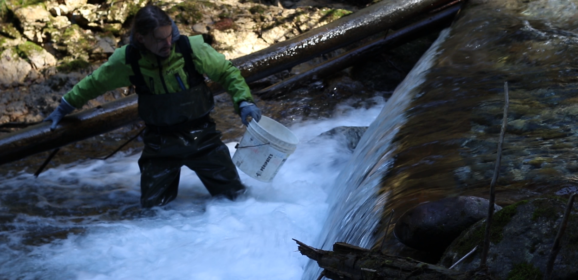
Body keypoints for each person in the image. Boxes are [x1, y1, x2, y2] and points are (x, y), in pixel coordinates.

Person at [44, 5, 262, 208]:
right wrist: (63, 108)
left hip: (203, 138)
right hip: (159, 145)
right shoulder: (128, 60)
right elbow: (93, 84)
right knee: (155, 212)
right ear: (141, 38)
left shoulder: (190, 48)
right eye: (159, 39)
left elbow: (227, 72)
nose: (168, 43)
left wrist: (243, 102)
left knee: (237, 201)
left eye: (169, 35)